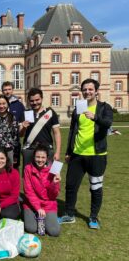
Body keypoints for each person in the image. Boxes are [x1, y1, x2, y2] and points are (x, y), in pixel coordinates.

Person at [60, 79, 113, 229]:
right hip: (77, 154)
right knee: (70, 186)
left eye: (90, 89)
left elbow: (108, 123)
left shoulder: (104, 107)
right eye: (85, 89)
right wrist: (68, 151)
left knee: (95, 187)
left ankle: (93, 217)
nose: (87, 92)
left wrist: (95, 117)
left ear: (96, 91)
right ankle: (69, 214)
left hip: (97, 155)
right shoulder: (79, 106)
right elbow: (72, 130)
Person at [23, 144, 61, 237]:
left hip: (48, 204)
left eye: (43, 157)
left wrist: (55, 183)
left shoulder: (54, 169)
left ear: (47, 158)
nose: (40, 160)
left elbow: (54, 195)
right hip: (31, 204)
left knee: (54, 232)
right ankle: (33, 213)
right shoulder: (28, 169)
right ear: (34, 157)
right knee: (31, 228)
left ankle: (43, 217)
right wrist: (38, 208)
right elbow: (29, 191)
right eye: (38, 157)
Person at [20, 88, 61, 171]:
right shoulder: (26, 113)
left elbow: (57, 133)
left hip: (47, 149)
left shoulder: (50, 112)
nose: (35, 103)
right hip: (29, 149)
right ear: (29, 101)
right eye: (32, 101)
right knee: (28, 177)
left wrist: (58, 152)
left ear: (42, 98)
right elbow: (21, 135)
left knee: (49, 176)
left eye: (37, 100)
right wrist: (23, 127)